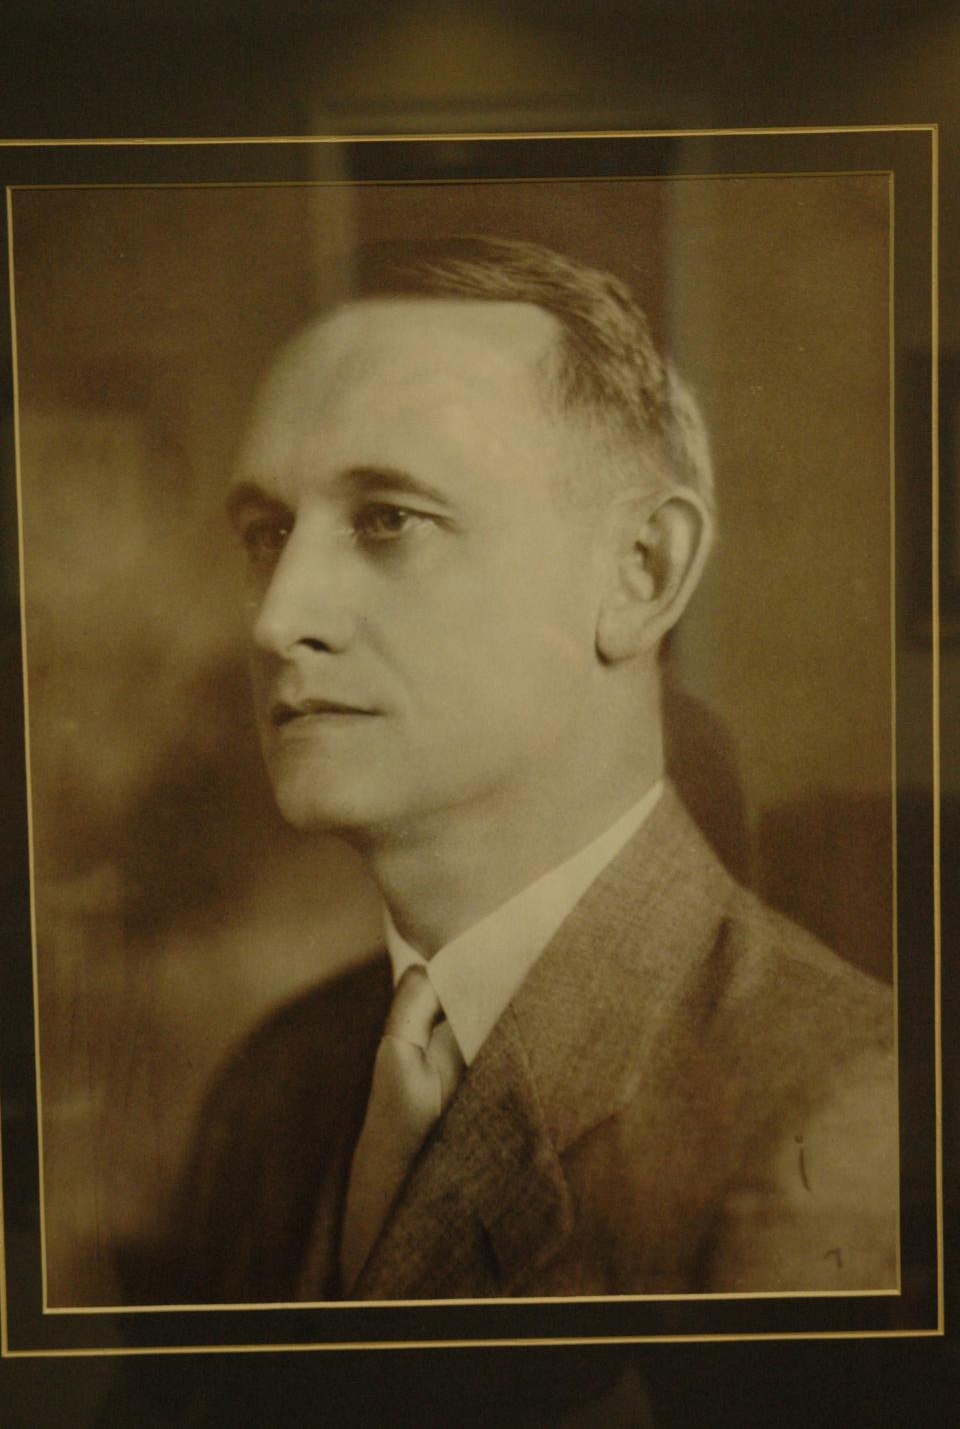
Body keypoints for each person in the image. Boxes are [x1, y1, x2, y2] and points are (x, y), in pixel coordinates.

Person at [159, 236, 897, 1304]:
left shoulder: (835, 1104)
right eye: (268, 533)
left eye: (389, 520)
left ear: (641, 573)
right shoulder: (272, 1091)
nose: (280, 621)